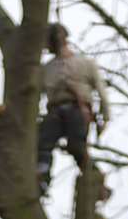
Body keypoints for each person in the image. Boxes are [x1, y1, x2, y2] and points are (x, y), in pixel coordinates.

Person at [36, 23, 110, 195]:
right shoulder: (46, 69)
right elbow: (36, 95)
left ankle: (96, 181)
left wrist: (105, 117)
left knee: (77, 146)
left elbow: (101, 91)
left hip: (78, 110)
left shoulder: (85, 63)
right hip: (54, 111)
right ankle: (41, 177)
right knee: (43, 143)